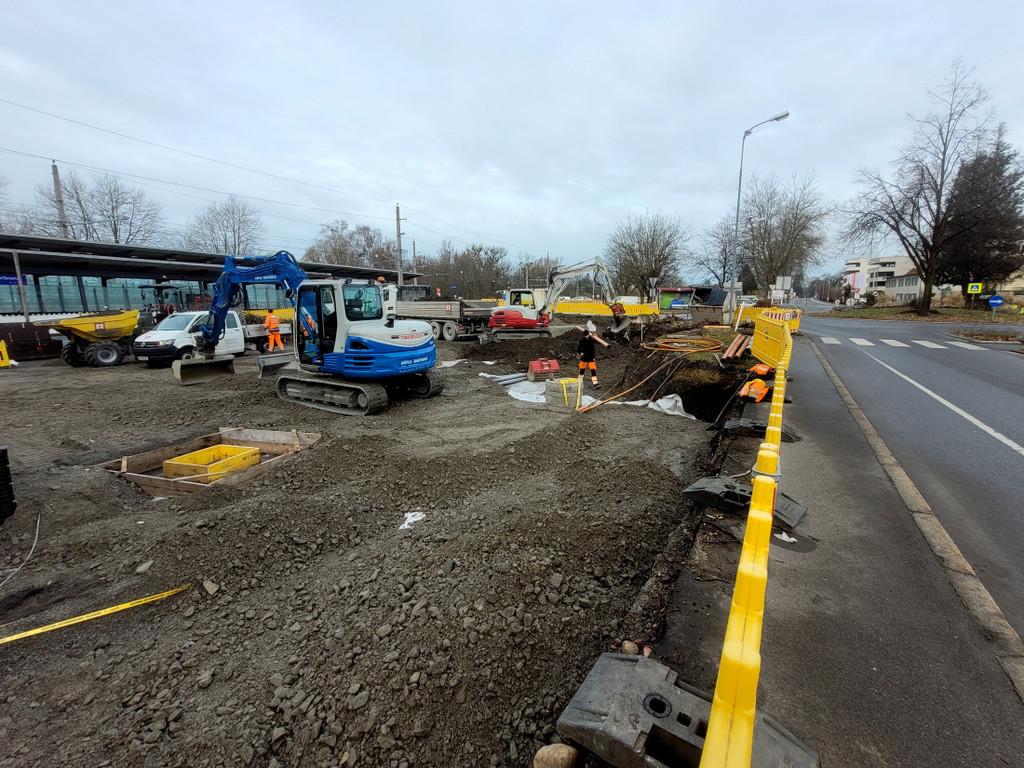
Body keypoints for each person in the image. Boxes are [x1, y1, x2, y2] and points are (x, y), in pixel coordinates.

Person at [577, 320, 603, 390]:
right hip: (584, 357)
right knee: (582, 369)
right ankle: (579, 381)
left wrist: (597, 336)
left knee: (593, 370)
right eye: (586, 336)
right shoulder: (582, 341)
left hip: (591, 357)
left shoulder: (592, 339)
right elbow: (579, 349)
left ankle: (595, 383)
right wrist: (581, 353)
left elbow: (599, 342)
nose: (587, 337)